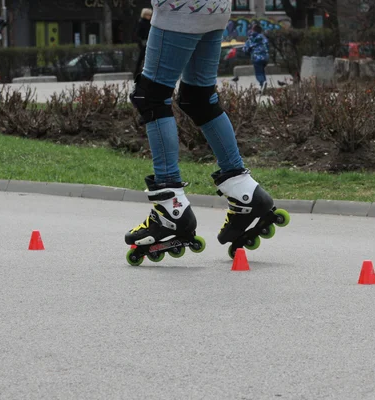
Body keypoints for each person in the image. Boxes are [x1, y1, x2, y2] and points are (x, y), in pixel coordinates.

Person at [124, 1, 290, 265]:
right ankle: (242, 189)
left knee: (152, 97)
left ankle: (171, 207)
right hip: (214, 9)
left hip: (179, 9)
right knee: (199, 99)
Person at [243, 24, 270, 93]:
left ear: (253, 30)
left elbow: (245, 49)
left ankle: (262, 82)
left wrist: (248, 52)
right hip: (265, 57)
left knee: (258, 72)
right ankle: (263, 86)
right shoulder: (263, 37)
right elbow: (267, 45)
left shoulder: (251, 37)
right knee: (262, 71)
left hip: (256, 57)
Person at [134, 8, 152, 76]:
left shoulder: (150, 23)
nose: (149, 16)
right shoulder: (141, 22)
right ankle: (137, 72)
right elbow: (138, 34)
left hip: (149, 42)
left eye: (150, 15)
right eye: (147, 15)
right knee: (141, 58)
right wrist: (141, 41)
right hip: (143, 42)